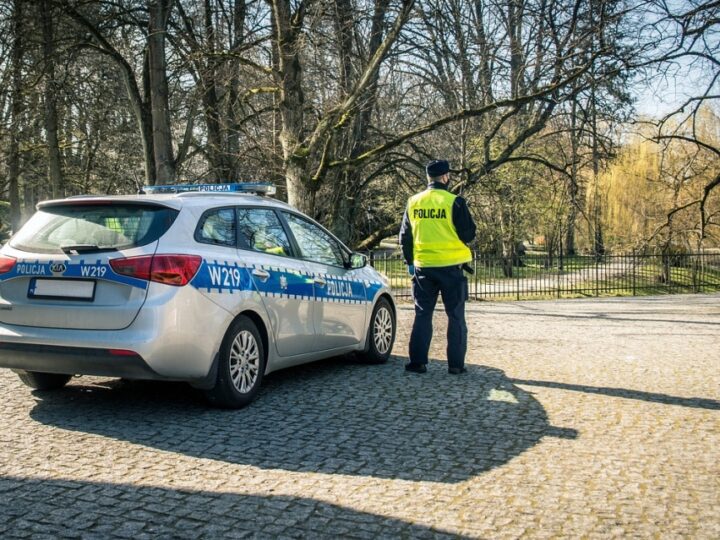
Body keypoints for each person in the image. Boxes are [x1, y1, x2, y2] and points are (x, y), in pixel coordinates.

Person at [398, 159, 476, 374]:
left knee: (423, 313)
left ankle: (417, 362)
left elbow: (405, 236)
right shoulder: (455, 202)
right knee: (456, 315)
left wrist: (410, 262)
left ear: (428, 178)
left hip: (424, 267)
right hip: (451, 267)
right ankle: (456, 365)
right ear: (445, 177)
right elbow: (468, 234)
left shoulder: (413, 202)